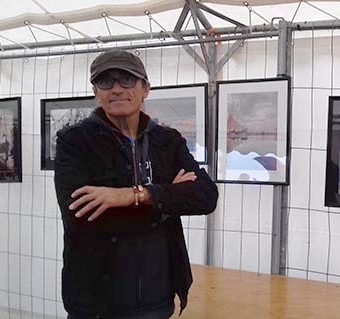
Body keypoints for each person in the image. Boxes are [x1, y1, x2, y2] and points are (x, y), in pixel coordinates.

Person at [54, 50, 218, 319]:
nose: (116, 89)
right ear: (96, 91)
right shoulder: (75, 142)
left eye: (127, 80)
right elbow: (81, 217)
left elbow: (206, 196)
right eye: (105, 82)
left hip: (159, 298)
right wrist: (166, 202)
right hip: (97, 304)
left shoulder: (167, 140)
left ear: (146, 89)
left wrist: (131, 196)